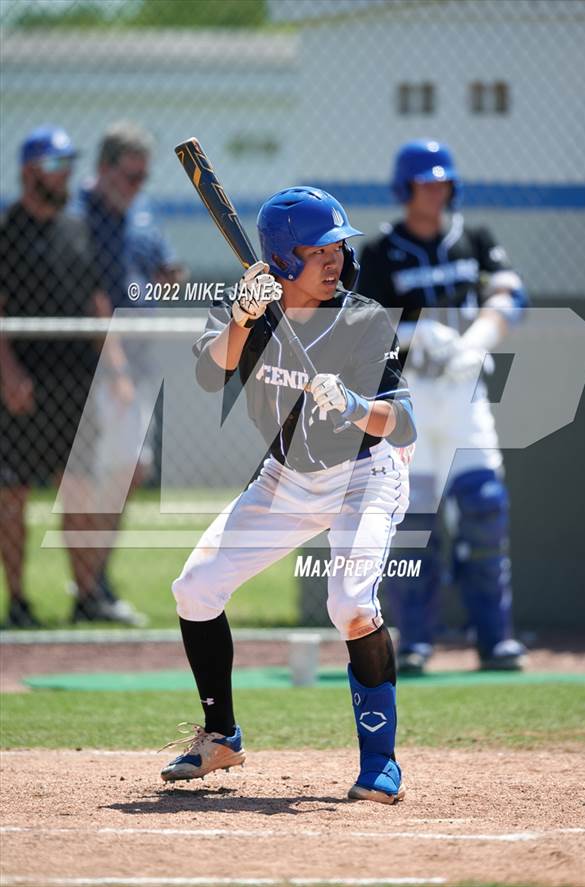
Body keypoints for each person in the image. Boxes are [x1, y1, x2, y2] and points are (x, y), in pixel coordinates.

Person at [160, 187, 416, 804]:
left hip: (364, 474)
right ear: (280, 258)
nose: (335, 260)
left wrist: (356, 407)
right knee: (194, 589)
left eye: (339, 247)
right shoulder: (253, 309)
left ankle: (380, 763)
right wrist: (243, 319)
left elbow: (402, 423)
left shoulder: (363, 318)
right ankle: (220, 738)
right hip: (287, 478)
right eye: (318, 250)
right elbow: (206, 370)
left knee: (351, 604)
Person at [358, 139, 529, 673]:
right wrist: (415, 333)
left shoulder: (472, 238)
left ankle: (496, 639)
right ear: (404, 187)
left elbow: (510, 294)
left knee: (483, 507)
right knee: (415, 526)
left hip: (464, 394)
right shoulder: (382, 250)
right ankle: (416, 641)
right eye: (424, 182)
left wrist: (474, 340)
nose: (435, 191)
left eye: (442, 182)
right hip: (409, 399)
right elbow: (365, 324)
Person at [72, 121, 183, 625]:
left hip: (138, 363)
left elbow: (163, 266)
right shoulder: (79, 216)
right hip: (88, 367)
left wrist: (169, 279)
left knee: (130, 472)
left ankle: (93, 583)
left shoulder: (138, 213)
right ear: (104, 168)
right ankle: (89, 587)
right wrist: (112, 365)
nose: (138, 184)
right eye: (129, 175)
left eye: (144, 176)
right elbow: (91, 299)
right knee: (87, 477)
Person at [0, 126, 103, 627]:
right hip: (24, 384)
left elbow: (95, 303)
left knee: (80, 489)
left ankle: (86, 598)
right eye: (55, 165)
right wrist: (9, 371)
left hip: (76, 380)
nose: (65, 175)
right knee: (12, 494)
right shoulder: (8, 232)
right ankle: (18, 602)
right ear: (28, 171)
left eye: (68, 165)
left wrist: (116, 369)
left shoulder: (77, 228)